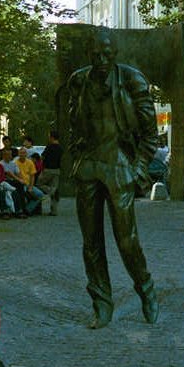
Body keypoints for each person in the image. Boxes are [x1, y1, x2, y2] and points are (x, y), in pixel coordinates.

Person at [67, 27, 159, 329]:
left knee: (127, 241)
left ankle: (146, 288)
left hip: (119, 167)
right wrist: (77, 153)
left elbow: (150, 134)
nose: (102, 59)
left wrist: (138, 168)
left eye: (107, 53)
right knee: (91, 243)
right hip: (88, 167)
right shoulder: (78, 81)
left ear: (115, 52)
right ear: (89, 54)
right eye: (96, 54)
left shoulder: (132, 80)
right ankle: (102, 304)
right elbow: (73, 125)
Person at [39, 129, 62, 216]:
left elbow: (42, 157)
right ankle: (54, 211)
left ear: (52, 137)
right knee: (54, 186)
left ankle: (51, 191)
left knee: (39, 184)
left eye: (49, 136)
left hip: (48, 169)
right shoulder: (60, 148)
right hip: (57, 170)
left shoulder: (49, 147)